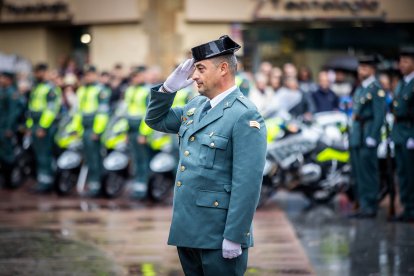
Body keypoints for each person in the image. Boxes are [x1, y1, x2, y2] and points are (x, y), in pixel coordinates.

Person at [145, 35, 267, 275]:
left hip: (218, 234)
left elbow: (247, 183)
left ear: (223, 69)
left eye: (200, 68)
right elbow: (155, 119)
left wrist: (235, 235)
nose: (193, 76)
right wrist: (167, 89)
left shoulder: (244, 115)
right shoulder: (195, 106)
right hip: (188, 229)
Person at [349, 55, 386, 218]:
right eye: (360, 67)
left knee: (368, 173)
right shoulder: (360, 88)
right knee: (358, 173)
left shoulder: (376, 89)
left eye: (365, 68)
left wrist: (373, 136)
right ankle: (362, 205)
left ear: (372, 70)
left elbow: (379, 115)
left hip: (367, 134)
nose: (361, 70)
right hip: (357, 135)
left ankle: (370, 206)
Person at [26, 63, 62, 192]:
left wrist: (42, 127)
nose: (37, 75)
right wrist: (30, 126)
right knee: (38, 154)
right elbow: (32, 109)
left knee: (45, 155)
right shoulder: (37, 87)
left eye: (39, 72)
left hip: (45, 126)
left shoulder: (50, 89)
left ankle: (47, 182)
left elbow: (50, 111)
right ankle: (42, 180)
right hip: (36, 125)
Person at [77, 65, 111, 197]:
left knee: (95, 159)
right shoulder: (82, 90)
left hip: (94, 130)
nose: (87, 77)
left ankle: (97, 186)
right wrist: (77, 129)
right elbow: (78, 112)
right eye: (86, 75)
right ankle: (93, 184)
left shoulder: (100, 90)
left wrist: (97, 131)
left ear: (95, 75)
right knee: (89, 159)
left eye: (90, 74)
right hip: (84, 129)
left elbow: (102, 114)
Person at [391, 48, 414, 222]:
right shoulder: (401, 84)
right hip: (399, 132)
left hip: (409, 131)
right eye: (401, 61)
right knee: (402, 173)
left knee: (410, 172)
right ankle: (406, 207)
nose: (402, 65)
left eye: (406, 61)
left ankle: (412, 209)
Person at [123, 67, 152, 199]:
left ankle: (144, 187)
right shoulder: (129, 90)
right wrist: (125, 133)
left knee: (143, 160)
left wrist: (143, 134)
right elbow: (126, 112)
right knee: (135, 159)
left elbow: (149, 114)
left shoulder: (147, 91)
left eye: (137, 76)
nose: (135, 79)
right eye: (133, 77)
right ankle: (137, 186)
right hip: (131, 130)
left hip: (141, 131)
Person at [0, 72, 25, 187]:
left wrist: (9, 128)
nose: (1, 80)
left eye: (3, 78)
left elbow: (12, 113)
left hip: (6, 129)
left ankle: (10, 181)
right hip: (1, 127)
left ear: (9, 79)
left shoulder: (12, 93)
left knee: (8, 155)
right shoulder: (3, 91)